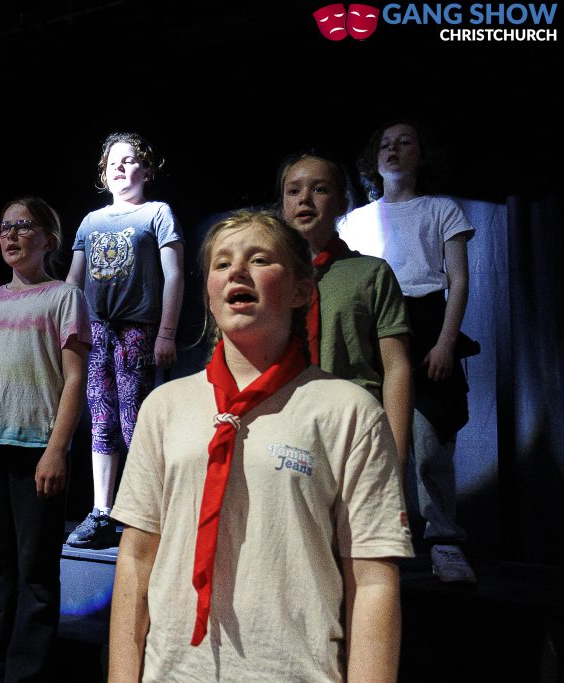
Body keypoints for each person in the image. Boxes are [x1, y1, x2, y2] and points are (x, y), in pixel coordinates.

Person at [108, 211, 413, 681]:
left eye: (260, 259)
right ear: (209, 296)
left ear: (301, 291)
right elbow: (135, 557)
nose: (237, 272)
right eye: (222, 263)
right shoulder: (164, 407)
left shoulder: (348, 411)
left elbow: (373, 580)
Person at [0, 196, 90, 681]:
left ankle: (26, 674)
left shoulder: (65, 297)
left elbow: (75, 379)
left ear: (49, 239)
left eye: (24, 225)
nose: (10, 235)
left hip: (36, 450)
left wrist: (56, 450)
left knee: (35, 569)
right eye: (4, 227)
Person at [340, 120, 478, 584]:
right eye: (384, 143)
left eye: (404, 142)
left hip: (425, 323)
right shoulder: (355, 221)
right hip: (372, 324)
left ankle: (443, 542)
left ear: (421, 153)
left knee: (430, 439)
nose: (393, 149)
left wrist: (445, 341)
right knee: (370, 441)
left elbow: (458, 280)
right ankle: (376, 541)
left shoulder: (441, 208)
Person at [65, 131, 184, 549]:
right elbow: (73, 282)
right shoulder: (90, 221)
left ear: (146, 170)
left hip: (138, 329)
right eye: (112, 161)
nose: (119, 166)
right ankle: (102, 510)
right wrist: (66, 333)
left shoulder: (157, 213)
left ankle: (147, 510)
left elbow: (174, 275)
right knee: (101, 418)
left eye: (129, 159)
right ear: (103, 174)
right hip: (97, 331)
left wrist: (166, 333)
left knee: (134, 420)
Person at [278, 151, 413, 471]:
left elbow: (396, 367)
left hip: (353, 432)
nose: (304, 199)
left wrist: (396, 456)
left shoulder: (371, 273)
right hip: (284, 433)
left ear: (342, 203)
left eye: (319, 189)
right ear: (283, 207)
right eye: (293, 191)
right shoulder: (271, 279)